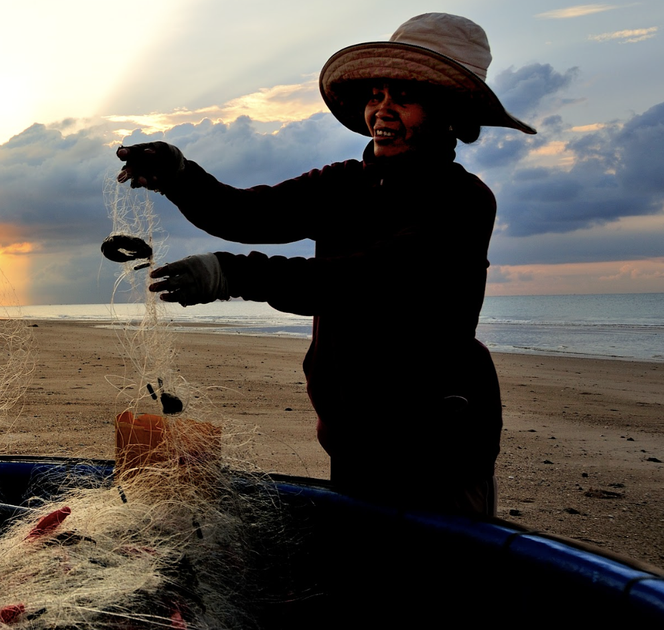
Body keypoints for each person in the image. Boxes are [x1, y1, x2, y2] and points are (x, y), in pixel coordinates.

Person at [117, 14, 535, 516]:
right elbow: (250, 213)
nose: (382, 110)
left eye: (403, 98)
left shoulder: (462, 202)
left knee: (436, 584)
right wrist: (179, 175)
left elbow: (362, 280)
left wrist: (231, 273)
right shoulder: (344, 184)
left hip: (438, 446)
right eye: (376, 96)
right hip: (353, 437)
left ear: (451, 113)